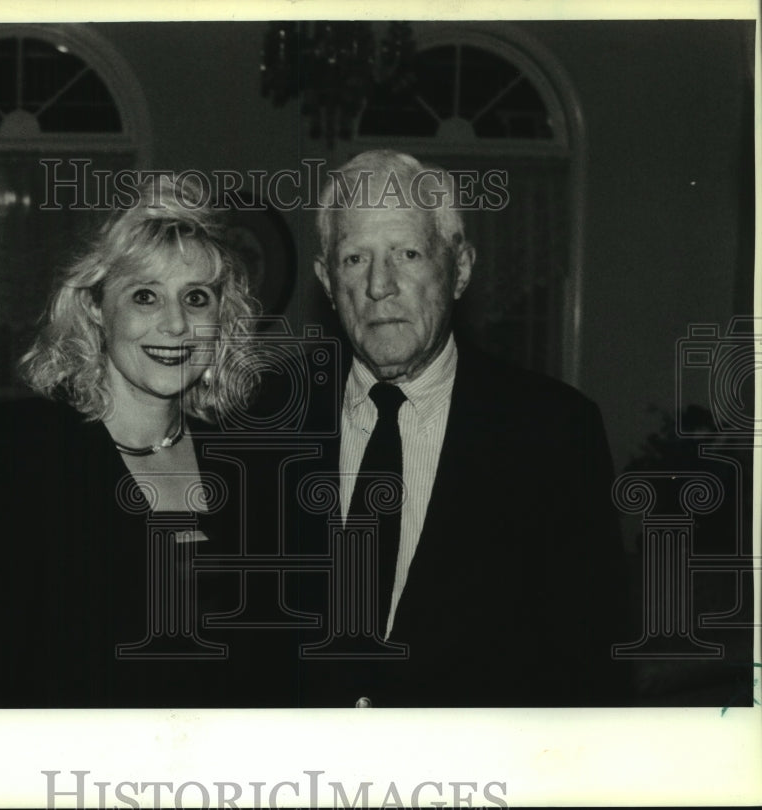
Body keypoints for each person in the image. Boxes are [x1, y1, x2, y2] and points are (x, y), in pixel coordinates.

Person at [259, 150, 632, 707]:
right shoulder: (265, 418)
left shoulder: (554, 432)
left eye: (407, 253)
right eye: (354, 258)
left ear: (458, 269)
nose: (380, 285)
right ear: (327, 282)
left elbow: (590, 671)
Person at [0, 175, 259, 707]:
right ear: (97, 309)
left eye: (196, 298)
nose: (175, 324)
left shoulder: (248, 466)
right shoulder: (11, 454)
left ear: (221, 319)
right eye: (145, 296)